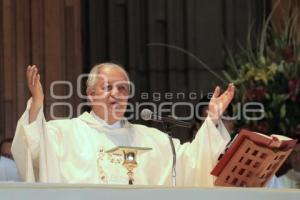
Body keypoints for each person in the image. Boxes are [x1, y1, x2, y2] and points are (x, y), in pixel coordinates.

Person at [12, 63, 235, 185]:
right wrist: (37, 104)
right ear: (90, 94)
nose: (116, 94)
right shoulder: (64, 133)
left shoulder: (150, 139)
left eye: (123, 89)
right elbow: (33, 146)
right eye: (107, 87)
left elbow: (190, 162)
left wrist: (212, 120)